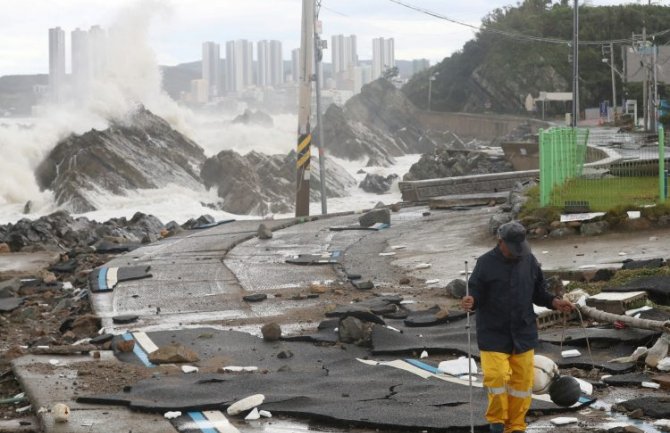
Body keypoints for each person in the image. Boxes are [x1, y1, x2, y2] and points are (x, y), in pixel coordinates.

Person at [461, 221, 574, 433]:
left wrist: (555, 302)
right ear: (500, 242)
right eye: (513, 248)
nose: (517, 252)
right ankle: (497, 422)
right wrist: (470, 301)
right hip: (493, 333)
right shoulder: (485, 263)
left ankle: (516, 427)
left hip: (523, 332)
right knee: (497, 378)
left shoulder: (529, 261)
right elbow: (475, 293)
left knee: (522, 384)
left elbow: (539, 293)